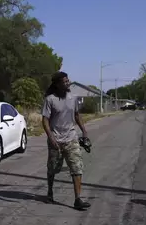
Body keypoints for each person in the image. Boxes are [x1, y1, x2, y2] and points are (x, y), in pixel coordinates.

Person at [41, 71, 91, 210]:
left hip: (71, 138)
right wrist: (51, 137)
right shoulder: (50, 100)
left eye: (68, 80)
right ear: (57, 84)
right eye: (64, 81)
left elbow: (77, 115)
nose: (67, 83)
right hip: (55, 140)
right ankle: (50, 191)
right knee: (52, 169)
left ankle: (77, 199)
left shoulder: (72, 98)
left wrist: (84, 131)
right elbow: (44, 120)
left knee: (77, 168)